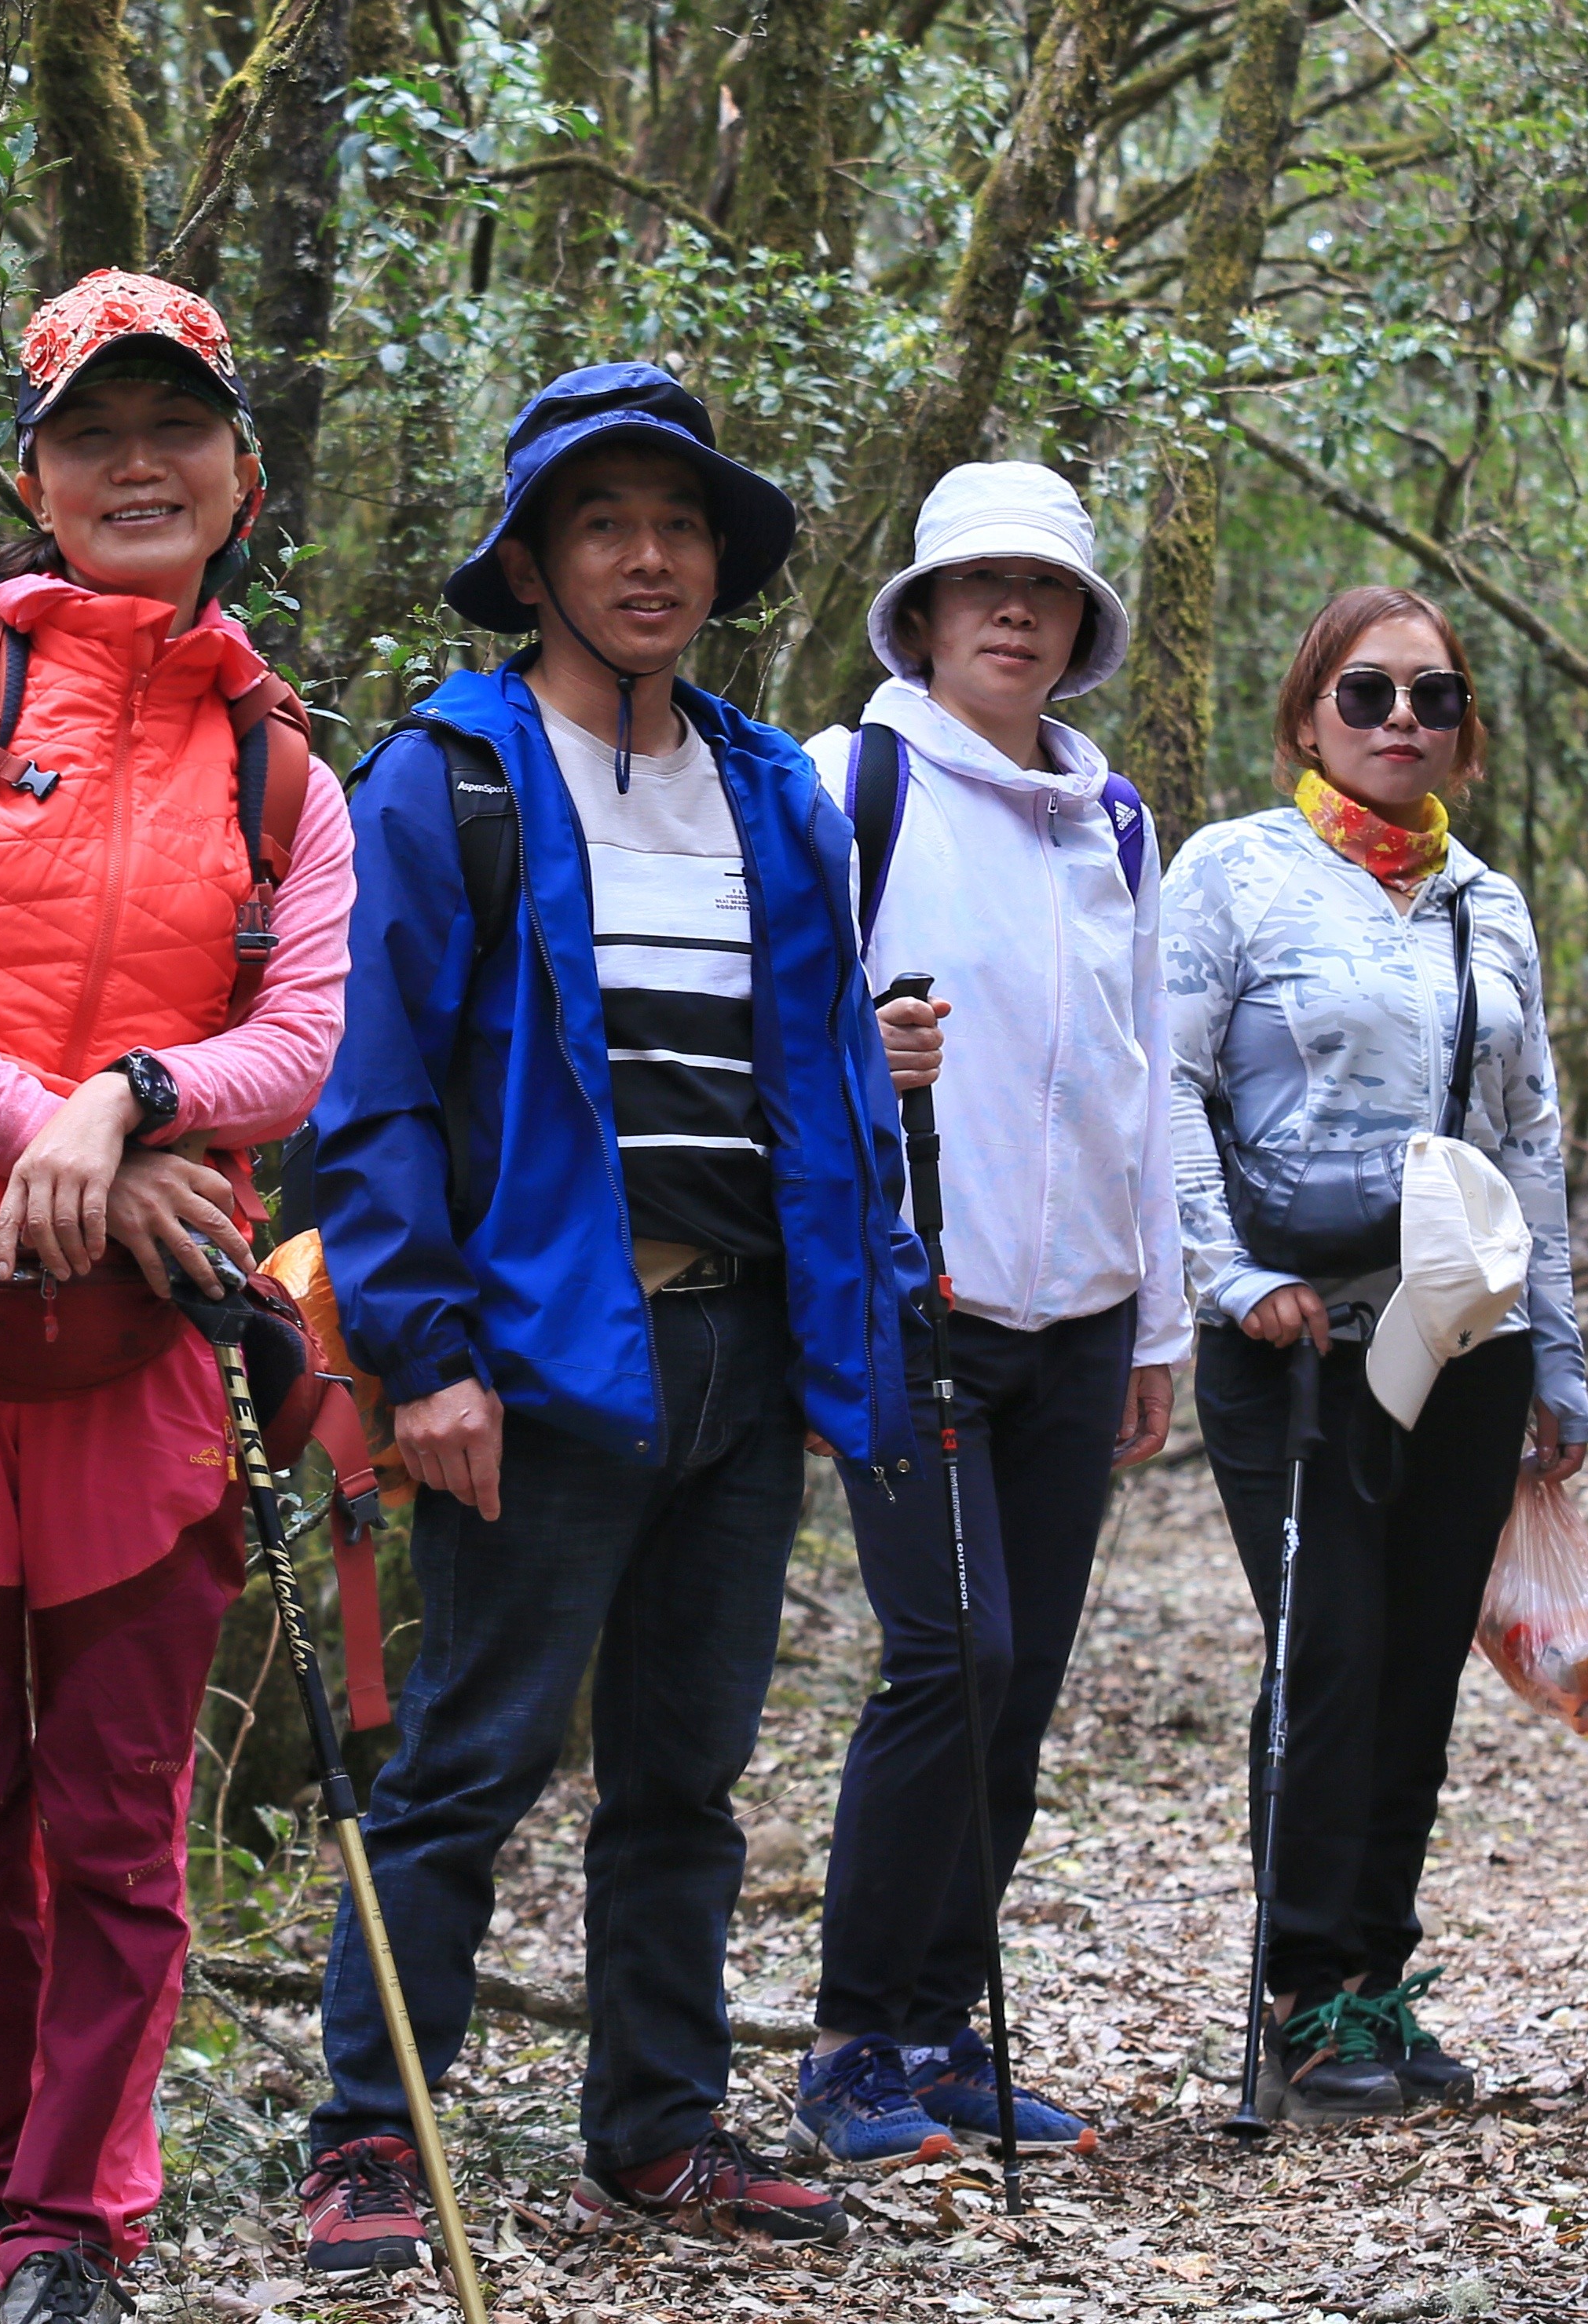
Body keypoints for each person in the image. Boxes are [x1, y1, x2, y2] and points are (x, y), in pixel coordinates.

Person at [289, 362, 937, 2268]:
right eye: (604, 524)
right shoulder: (449, 777)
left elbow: (820, 1077)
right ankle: (368, 2138)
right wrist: (423, 1352)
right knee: (468, 1767)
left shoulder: (761, 786)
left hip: (740, 1345)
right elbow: (373, 1087)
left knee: (688, 1774)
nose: (647, 559)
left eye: (677, 527)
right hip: (539, 1348)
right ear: (535, 559)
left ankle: (657, 2132)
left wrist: (870, 1329)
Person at [0, 272, 357, 2324]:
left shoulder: (283, 772)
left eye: (175, 428)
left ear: (240, 479)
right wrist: (56, 1144)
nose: (135, 463)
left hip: (150, 1340)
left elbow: (301, 1039)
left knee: (115, 1811)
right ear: (30, 475)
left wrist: (119, 1109)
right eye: (91, 432)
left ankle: (75, 2227)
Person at [789, 462, 1185, 2169]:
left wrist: (1158, 1322)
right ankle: (850, 2039)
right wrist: (852, 1064)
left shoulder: (1116, 822)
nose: (1013, 612)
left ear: (1081, 628)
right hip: (912, 1289)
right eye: (981, 587)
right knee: (958, 1655)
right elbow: (759, 1031)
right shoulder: (842, 785)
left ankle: (942, 2033)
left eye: (1045, 591)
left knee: (1019, 1686)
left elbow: (1144, 1074)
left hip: (1084, 1305)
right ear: (928, 615)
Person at [1168, 583, 1585, 2121]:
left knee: (1416, 1670)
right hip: (1293, 1339)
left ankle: (1378, 1981)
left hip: (1459, 1336)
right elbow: (1173, 1089)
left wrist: (1555, 1361)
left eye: (1436, 696)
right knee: (1330, 1654)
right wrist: (1228, 1274)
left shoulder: (1493, 902)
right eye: (1369, 692)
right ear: (1307, 714)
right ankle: (1301, 1986)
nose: (1403, 718)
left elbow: (1528, 1134)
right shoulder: (1233, 874)